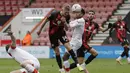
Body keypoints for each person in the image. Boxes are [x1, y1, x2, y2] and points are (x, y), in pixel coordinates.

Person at [37, 3, 82, 73]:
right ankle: (61, 69)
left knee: (69, 47)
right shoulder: (54, 14)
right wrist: (40, 30)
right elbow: (45, 21)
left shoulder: (67, 17)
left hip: (61, 33)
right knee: (57, 52)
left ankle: (77, 63)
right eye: (65, 12)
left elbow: (67, 29)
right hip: (53, 35)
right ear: (62, 9)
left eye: (68, 12)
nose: (66, 13)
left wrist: (64, 23)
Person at [62, 4, 86, 73]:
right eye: (76, 12)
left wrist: (66, 20)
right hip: (74, 41)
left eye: (78, 12)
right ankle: (68, 70)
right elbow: (68, 26)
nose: (76, 14)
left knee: (65, 57)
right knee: (65, 57)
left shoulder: (81, 20)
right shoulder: (77, 20)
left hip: (76, 42)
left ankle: (67, 71)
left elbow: (71, 25)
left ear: (82, 14)